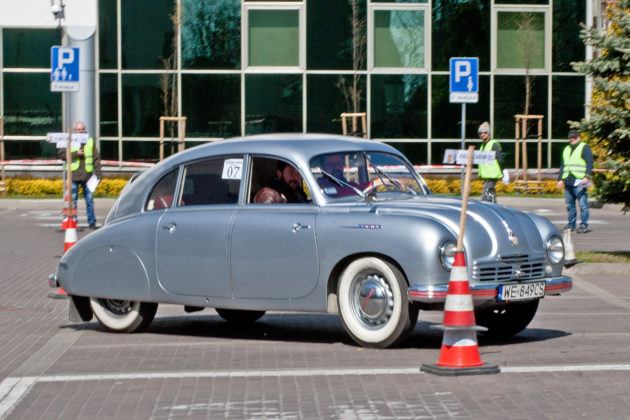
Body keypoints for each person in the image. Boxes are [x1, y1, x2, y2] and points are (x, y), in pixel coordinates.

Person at [58, 121, 102, 229]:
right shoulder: (69, 140)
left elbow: (96, 158)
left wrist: (99, 174)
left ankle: (92, 222)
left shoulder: (90, 140)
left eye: (82, 129)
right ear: (74, 130)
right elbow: (62, 155)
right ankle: (73, 221)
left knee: (89, 200)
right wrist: (75, 154)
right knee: (73, 201)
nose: (81, 131)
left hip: (87, 176)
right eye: (79, 129)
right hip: (73, 175)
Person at [557, 129, 593, 233]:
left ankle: (583, 225)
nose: (571, 139)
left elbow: (589, 163)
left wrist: (587, 177)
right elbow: (563, 165)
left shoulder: (584, 147)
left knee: (583, 205)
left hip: (579, 181)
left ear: (579, 138)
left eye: (574, 137)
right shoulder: (566, 149)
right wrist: (560, 179)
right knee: (570, 205)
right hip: (568, 181)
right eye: (570, 138)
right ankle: (571, 224)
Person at [477, 121, 504, 203]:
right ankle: (494, 206)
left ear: (488, 133)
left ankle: (489, 208)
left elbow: (500, 159)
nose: (482, 134)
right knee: (490, 194)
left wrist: (504, 171)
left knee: (485, 197)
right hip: (486, 175)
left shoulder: (493, 144)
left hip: (492, 174)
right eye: (480, 133)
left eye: (484, 132)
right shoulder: (482, 146)